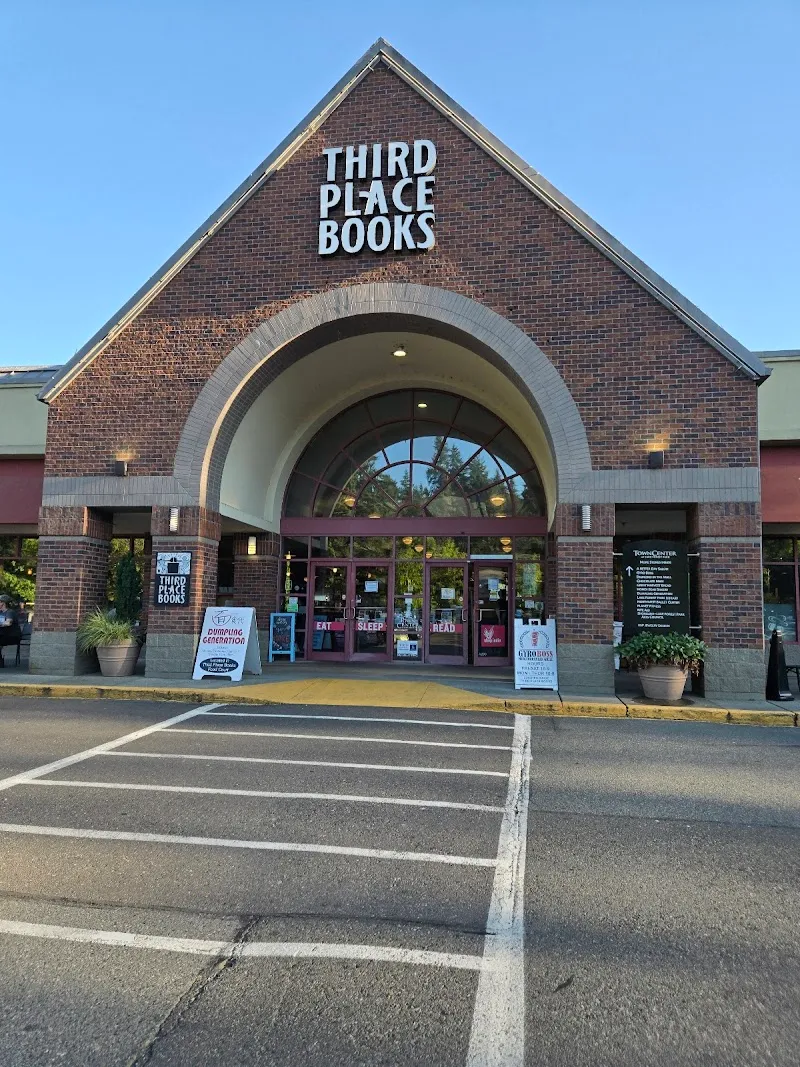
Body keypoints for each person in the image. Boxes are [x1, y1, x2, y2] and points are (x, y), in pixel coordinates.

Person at [0, 594, 22, 667]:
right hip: (3, 635)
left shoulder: (9, 612)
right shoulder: (0, 612)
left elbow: (8, 623)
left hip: (12, 636)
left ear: (3, 603)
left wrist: (1, 624)